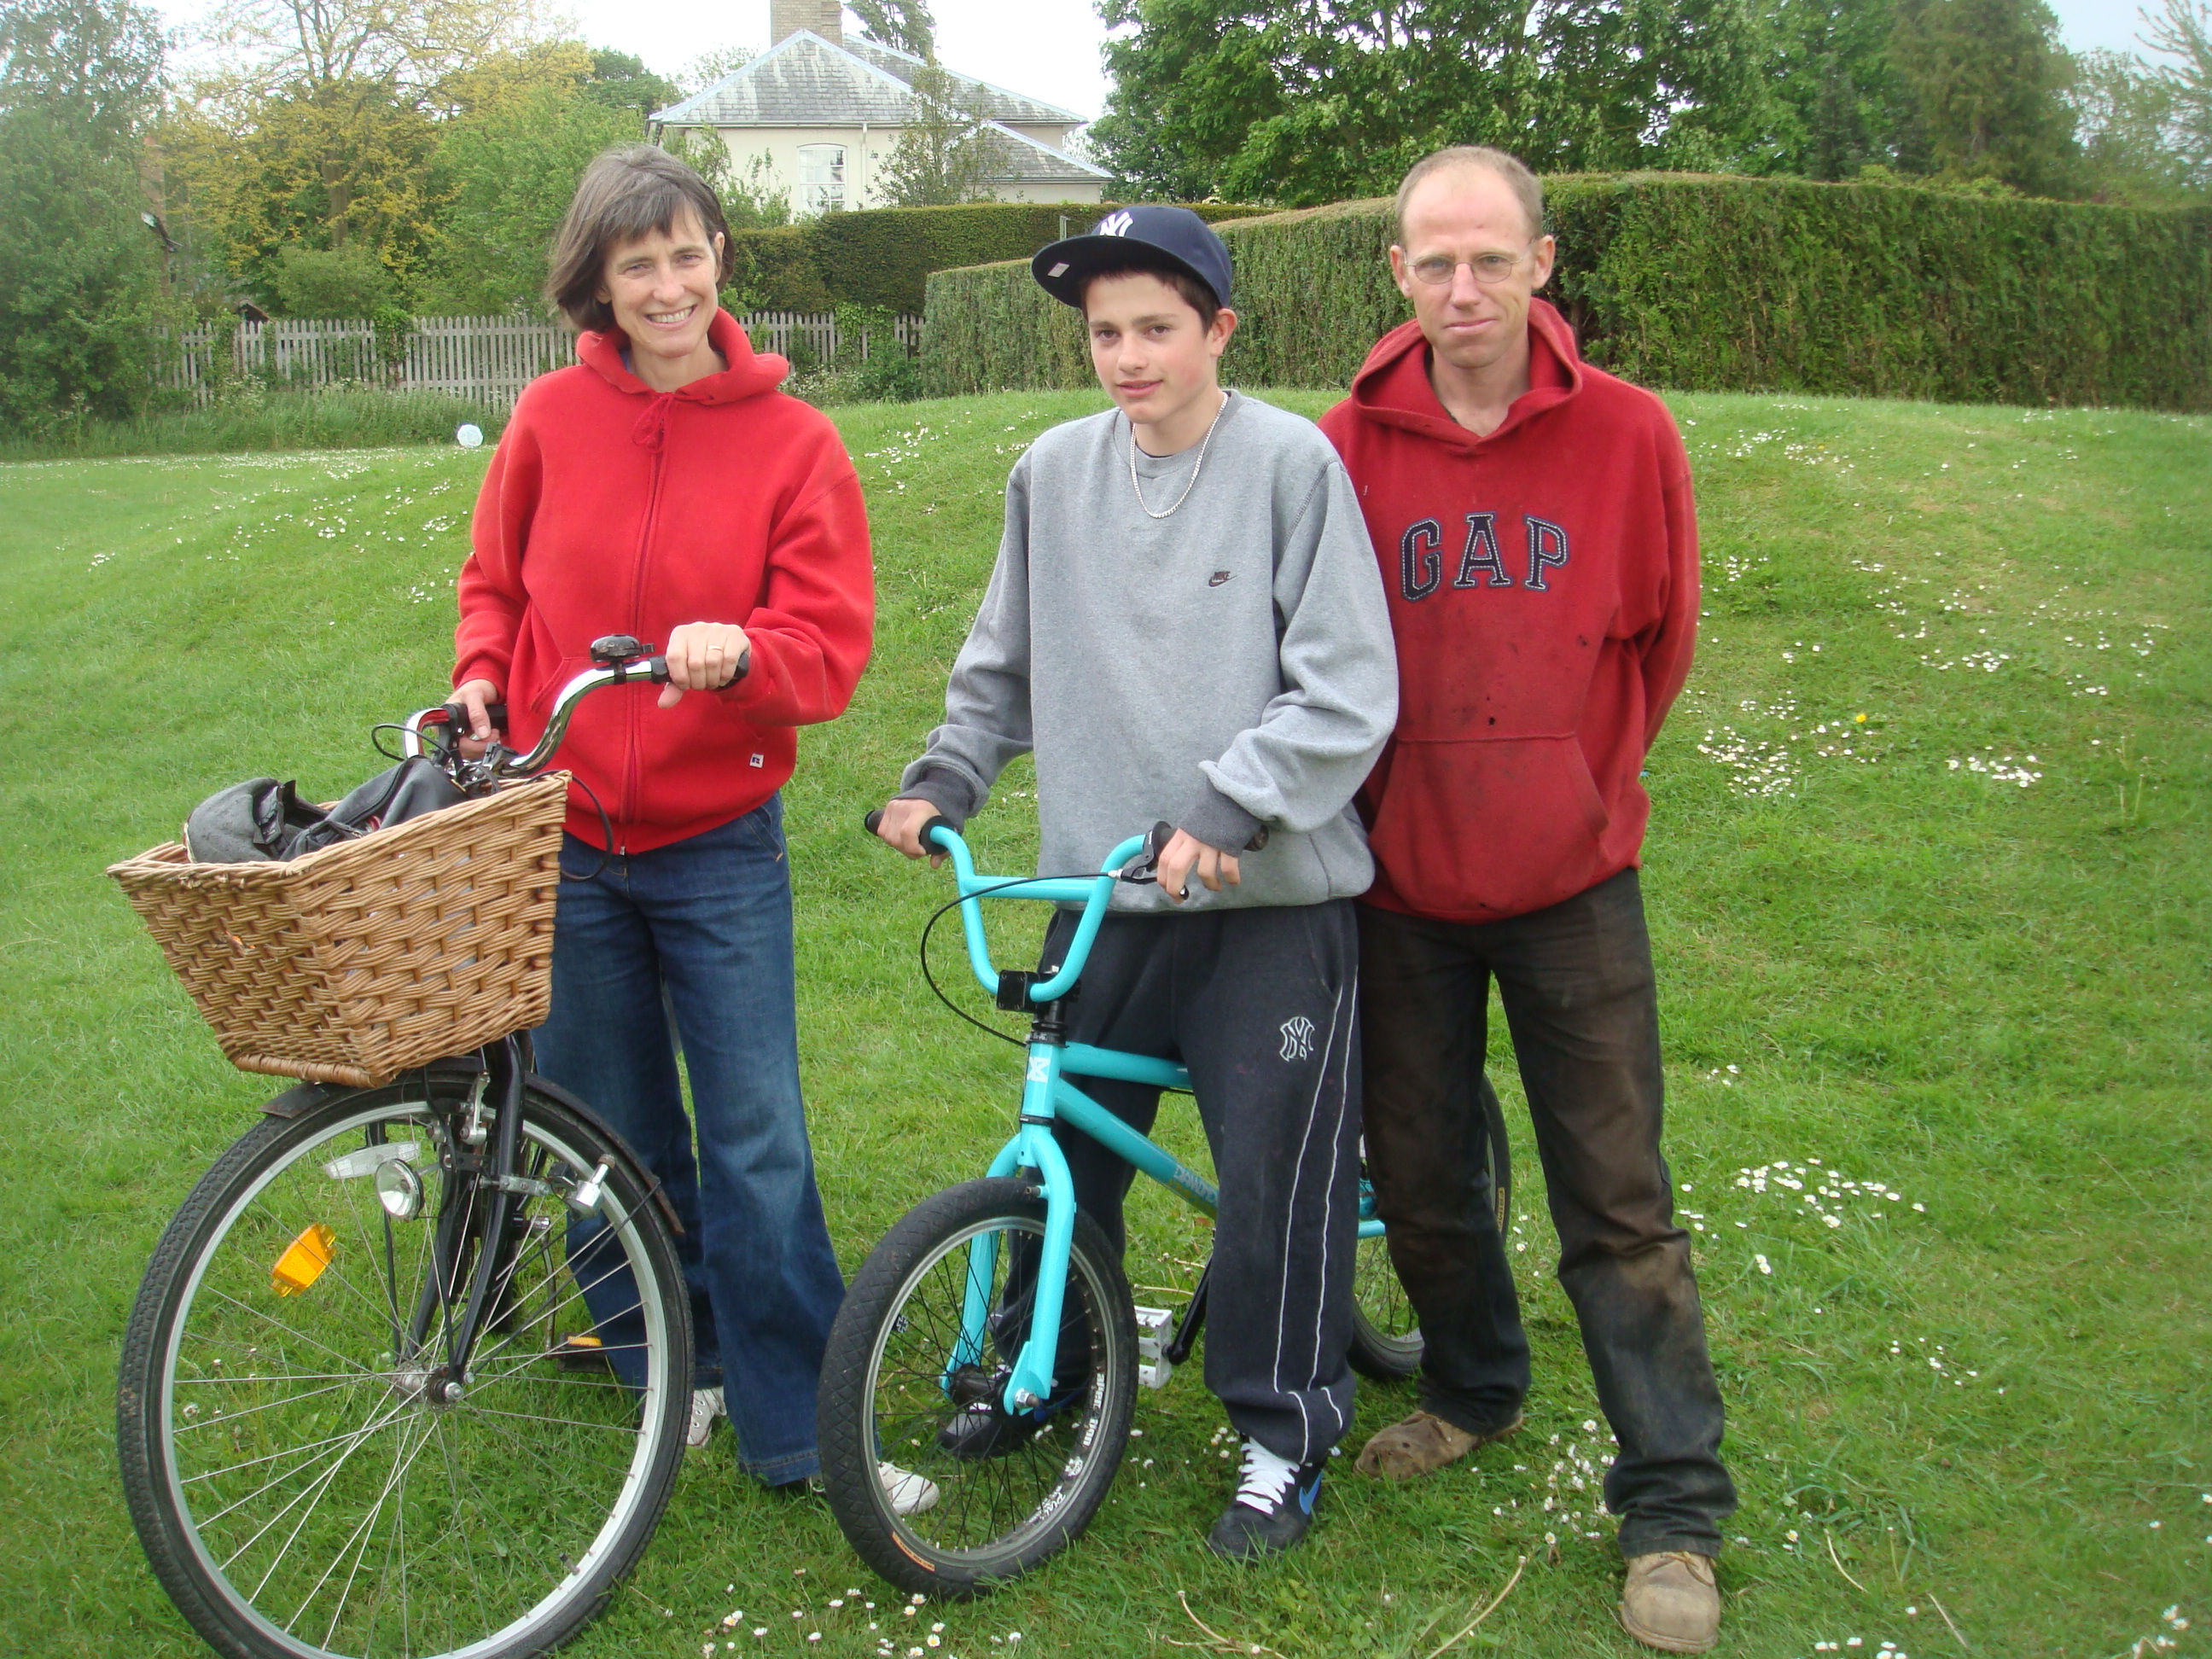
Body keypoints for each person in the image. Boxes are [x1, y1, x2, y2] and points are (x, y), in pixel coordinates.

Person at [873, 207, 1398, 1558]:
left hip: (1265, 899)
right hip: (1105, 890)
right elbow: (1002, 663)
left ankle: (1284, 1434)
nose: (1127, 356)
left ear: (1220, 329)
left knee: (1275, 1176)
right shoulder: (1052, 473)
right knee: (1068, 1151)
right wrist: (945, 779)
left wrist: (1235, 800)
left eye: (1157, 328)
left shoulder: (1290, 465)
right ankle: (1049, 1364)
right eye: (1105, 332)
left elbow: (1348, 686)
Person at [451, 144, 931, 1512]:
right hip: (564, 830)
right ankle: (672, 1363)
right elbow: (494, 584)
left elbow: (827, 646)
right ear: (598, 282)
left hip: (718, 845)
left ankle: (801, 1425)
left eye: (686, 253)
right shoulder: (551, 417)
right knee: (608, 1130)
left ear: (720, 257)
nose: (668, 285)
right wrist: (479, 675)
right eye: (637, 262)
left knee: (755, 1137)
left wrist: (745, 652)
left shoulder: (795, 443)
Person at [1318, 148, 1736, 1653]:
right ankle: (1474, 1386)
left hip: (1573, 888)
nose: (1464, 288)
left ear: (1541, 263)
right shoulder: (1342, 448)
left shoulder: (1629, 434)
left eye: (1490, 258)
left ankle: (1673, 1507)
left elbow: (1660, 641)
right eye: (1435, 261)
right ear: (1398, 273)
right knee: (1422, 1174)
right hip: (1400, 887)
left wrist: (1577, 784)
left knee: (1617, 1201)